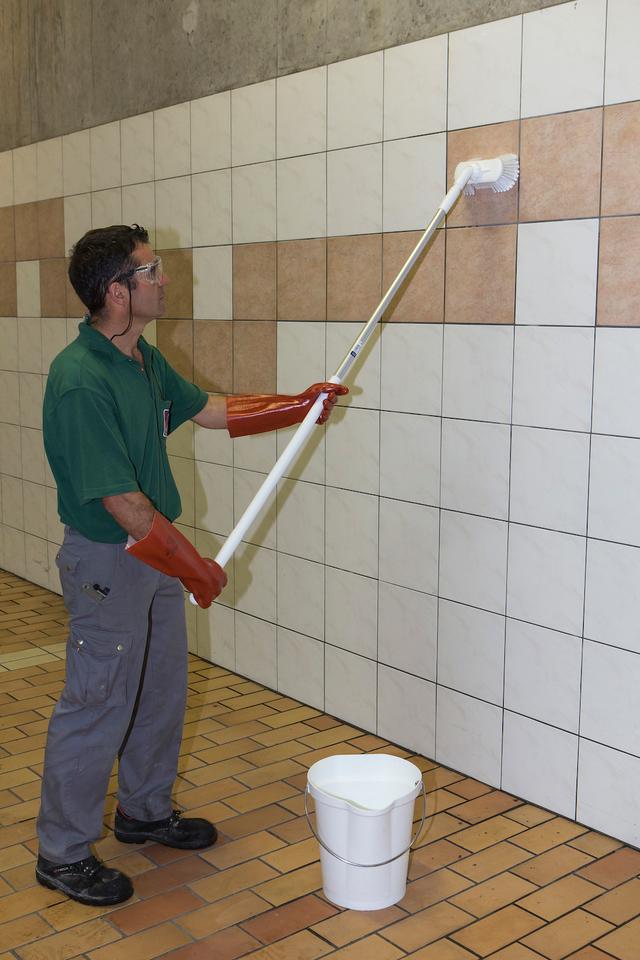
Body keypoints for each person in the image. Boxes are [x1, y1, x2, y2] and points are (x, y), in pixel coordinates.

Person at [35, 223, 347, 906]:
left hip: (151, 559)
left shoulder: (140, 359)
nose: (164, 280)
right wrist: (195, 568)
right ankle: (62, 851)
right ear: (117, 291)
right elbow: (122, 504)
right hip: (108, 562)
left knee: (159, 692)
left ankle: (144, 812)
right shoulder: (80, 379)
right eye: (152, 272)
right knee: (96, 704)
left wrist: (299, 405)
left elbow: (209, 410)